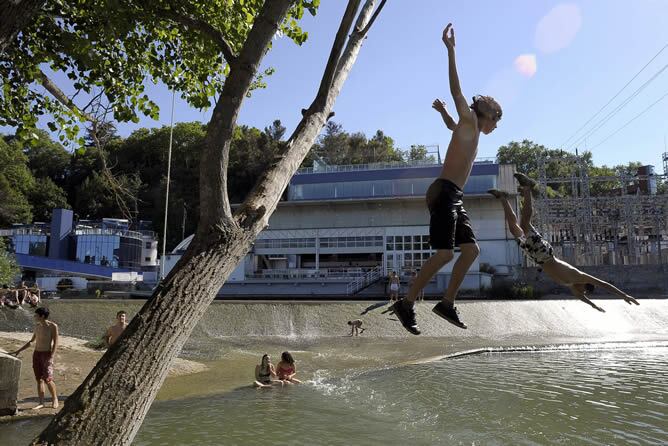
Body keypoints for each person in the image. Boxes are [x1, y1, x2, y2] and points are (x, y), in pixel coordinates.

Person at [392, 23, 502, 335]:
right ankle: (406, 302)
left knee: (471, 251)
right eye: (496, 116)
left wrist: (441, 113)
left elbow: (451, 125)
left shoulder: (466, 128)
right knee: (444, 253)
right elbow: (457, 91)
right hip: (443, 193)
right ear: (483, 113)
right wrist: (451, 50)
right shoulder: (469, 119)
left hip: (454, 196)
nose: (497, 122)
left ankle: (447, 303)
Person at [488, 172, 640, 312]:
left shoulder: (572, 286)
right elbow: (605, 285)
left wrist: (594, 306)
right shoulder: (579, 276)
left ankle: (503, 198)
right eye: (584, 290)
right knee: (524, 223)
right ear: (585, 285)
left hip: (535, 257)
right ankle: (527, 187)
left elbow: (581, 297)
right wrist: (624, 295)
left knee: (514, 229)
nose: (582, 292)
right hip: (544, 254)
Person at [11, 307, 60, 409]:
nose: (34, 317)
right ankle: (41, 402)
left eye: (36, 315)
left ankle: (55, 399)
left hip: (47, 354)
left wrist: (51, 357)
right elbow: (31, 341)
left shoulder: (53, 326)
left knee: (48, 379)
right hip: (36, 354)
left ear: (42, 316)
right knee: (39, 379)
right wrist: (18, 351)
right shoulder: (37, 326)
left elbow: (56, 343)